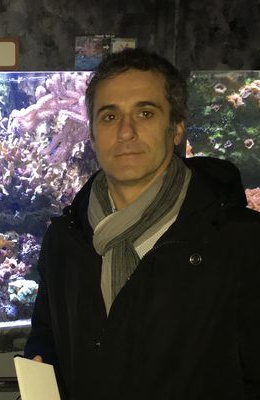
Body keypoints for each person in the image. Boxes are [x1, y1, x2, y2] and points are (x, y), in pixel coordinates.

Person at [24, 48, 260, 399]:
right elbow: (48, 332)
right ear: (91, 134)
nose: (126, 132)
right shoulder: (64, 238)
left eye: (145, 113)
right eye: (109, 117)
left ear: (177, 127)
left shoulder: (241, 242)